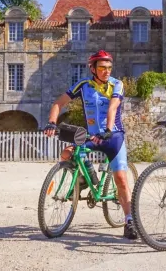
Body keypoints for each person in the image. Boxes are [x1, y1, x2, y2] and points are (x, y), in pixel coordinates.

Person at [43, 50, 137, 240]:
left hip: (113, 136)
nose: (107, 71)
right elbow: (58, 103)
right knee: (67, 154)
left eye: (109, 67)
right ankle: (86, 179)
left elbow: (113, 107)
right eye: (102, 67)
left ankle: (129, 220)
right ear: (93, 68)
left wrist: (108, 130)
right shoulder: (84, 85)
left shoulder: (116, 84)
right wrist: (51, 123)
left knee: (121, 179)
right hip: (93, 136)